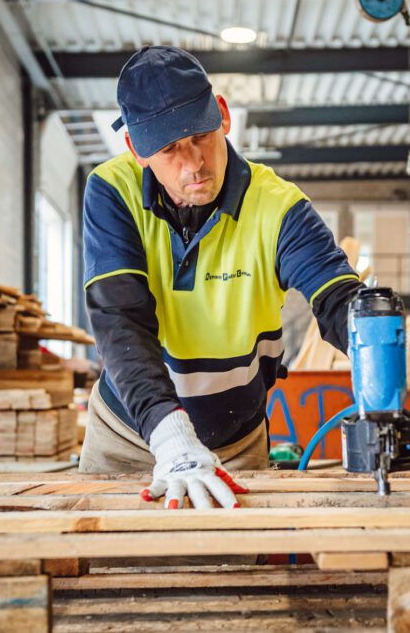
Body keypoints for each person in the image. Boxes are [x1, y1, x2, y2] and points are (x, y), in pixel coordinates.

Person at [80, 46, 362, 510]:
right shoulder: (112, 191)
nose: (193, 164)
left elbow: (334, 293)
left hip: (238, 447)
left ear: (224, 116)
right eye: (169, 149)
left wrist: (375, 334)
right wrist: (169, 435)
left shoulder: (277, 205)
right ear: (136, 150)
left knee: (234, 578)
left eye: (201, 136)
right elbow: (119, 321)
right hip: (127, 438)